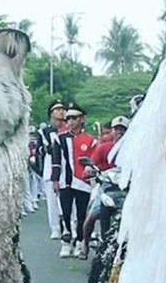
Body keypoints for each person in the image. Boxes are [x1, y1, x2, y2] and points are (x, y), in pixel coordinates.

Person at [79, 115, 130, 259]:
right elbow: (91, 163)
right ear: (112, 131)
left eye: (122, 129)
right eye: (117, 129)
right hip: (107, 186)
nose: (119, 132)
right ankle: (85, 243)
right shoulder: (104, 148)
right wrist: (89, 168)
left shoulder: (133, 150)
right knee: (92, 216)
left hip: (127, 188)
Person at [50, 105, 95, 258]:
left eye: (74, 118)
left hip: (82, 182)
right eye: (68, 118)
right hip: (65, 181)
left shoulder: (89, 140)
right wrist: (55, 179)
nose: (70, 121)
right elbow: (55, 161)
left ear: (82, 119)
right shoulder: (59, 138)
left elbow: (93, 160)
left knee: (82, 213)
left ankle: (80, 241)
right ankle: (66, 241)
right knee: (65, 212)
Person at [36, 102, 67, 240]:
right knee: (52, 201)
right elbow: (39, 151)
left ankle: (68, 225)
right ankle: (55, 227)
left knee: (67, 200)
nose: (61, 112)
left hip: (66, 169)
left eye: (63, 109)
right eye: (58, 110)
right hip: (50, 168)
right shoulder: (44, 132)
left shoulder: (69, 130)